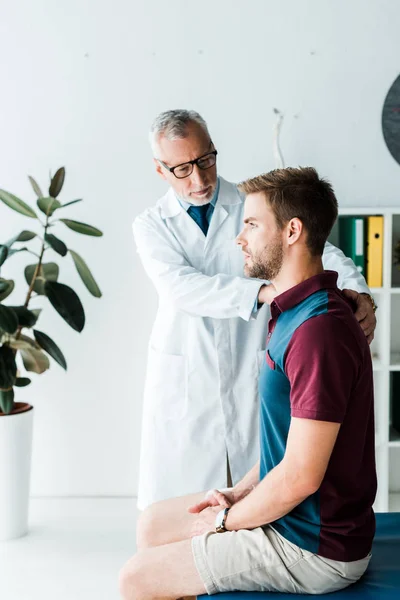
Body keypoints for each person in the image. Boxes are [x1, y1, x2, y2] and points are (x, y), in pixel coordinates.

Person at [120, 166, 376, 598]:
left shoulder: (319, 331)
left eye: (252, 225)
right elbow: (287, 446)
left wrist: (223, 522)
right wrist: (238, 493)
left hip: (316, 547)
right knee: (153, 524)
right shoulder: (292, 312)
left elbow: (299, 477)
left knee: (137, 578)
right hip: (296, 518)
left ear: (292, 231)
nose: (239, 238)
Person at [133, 109, 376, 510]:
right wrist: (265, 291)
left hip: (251, 359)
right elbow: (180, 289)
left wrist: (358, 291)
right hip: (189, 371)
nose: (199, 178)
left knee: (255, 493)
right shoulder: (151, 225)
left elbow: (316, 248)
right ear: (161, 171)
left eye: (206, 159)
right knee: (180, 507)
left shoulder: (250, 202)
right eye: (182, 169)